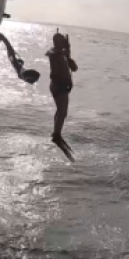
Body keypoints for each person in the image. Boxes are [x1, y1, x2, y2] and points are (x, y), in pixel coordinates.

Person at [46, 31, 78, 161]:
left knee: (60, 111)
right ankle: (57, 135)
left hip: (61, 87)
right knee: (62, 112)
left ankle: (56, 132)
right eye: (61, 42)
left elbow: (74, 68)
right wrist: (65, 50)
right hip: (58, 87)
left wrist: (68, 52)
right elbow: (54, 54)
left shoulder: (61, 54)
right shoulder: (54, 53)